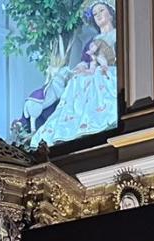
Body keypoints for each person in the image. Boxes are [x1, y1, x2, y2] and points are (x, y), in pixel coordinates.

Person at [28, 2, 118, 149]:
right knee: (77, 80)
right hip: (93, 70)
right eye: (95, 14)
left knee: (98, 78)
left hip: (109, 70)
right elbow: (86, 60)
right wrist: (81, 67)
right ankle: (70, 126)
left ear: (111, 13)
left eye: (101, 11)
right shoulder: (92, 41)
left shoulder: (118, 35)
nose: (98, 15)